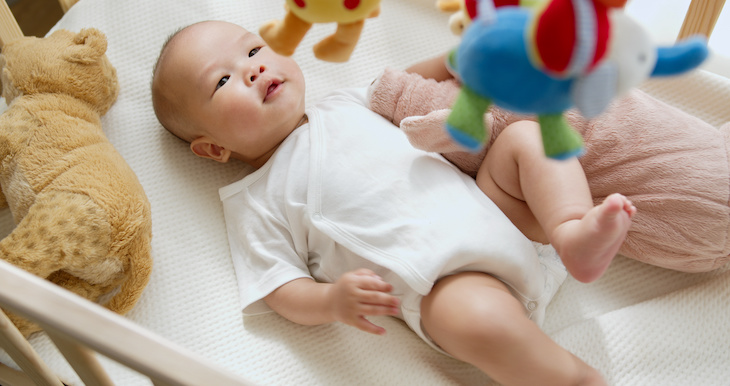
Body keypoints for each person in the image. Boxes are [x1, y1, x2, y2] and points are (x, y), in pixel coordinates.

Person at [151, 20, 635, 385]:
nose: (253, 67)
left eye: (254, 49)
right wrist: (331, 302)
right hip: (446, 280)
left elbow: (407, 83)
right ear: (213, 148)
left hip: (503, 213)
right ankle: (571, 377)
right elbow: (279, 286)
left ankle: (571, 229)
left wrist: (455, 58)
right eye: (222, 81)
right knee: (469, 320)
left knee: (527, 139)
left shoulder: (344, 102)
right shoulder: (255, 199)